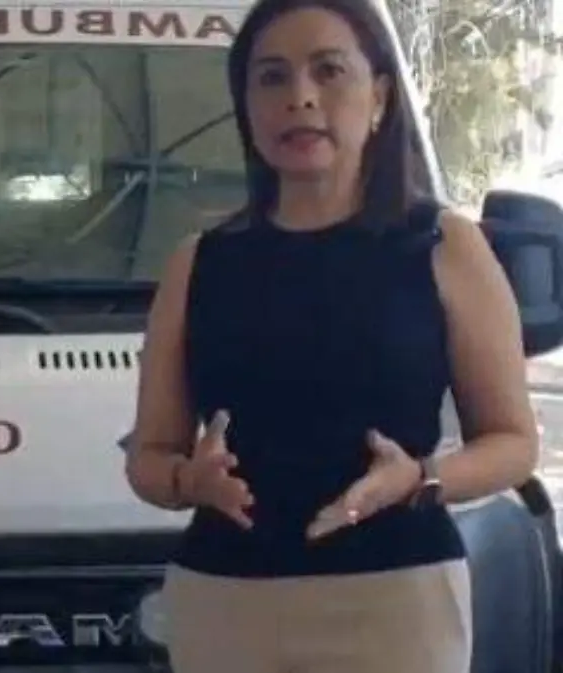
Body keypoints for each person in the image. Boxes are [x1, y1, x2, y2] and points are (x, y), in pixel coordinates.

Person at [124, 1, 538, 672]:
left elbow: (514, 443)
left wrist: (421, 479)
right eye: (272, 77)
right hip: (226, 604)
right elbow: (148, 455)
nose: (301, 97)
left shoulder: (444, 245)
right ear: (245, 106)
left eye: (329, 70)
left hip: (398, 602)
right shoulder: (199, 263)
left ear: (379, 97)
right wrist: (184, 479)